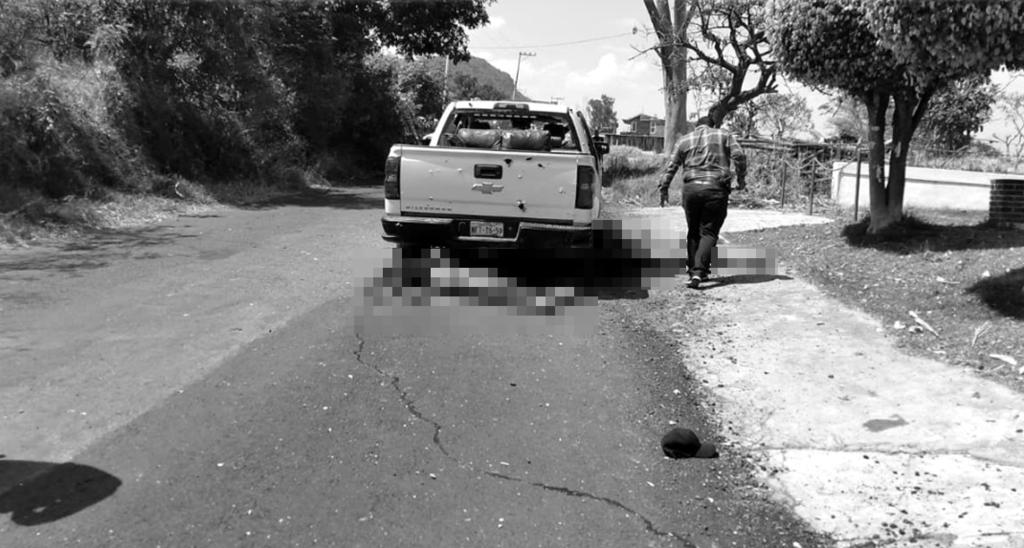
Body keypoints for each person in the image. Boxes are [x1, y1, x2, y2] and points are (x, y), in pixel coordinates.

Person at [657, 115, 747, 289]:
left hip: (691, 189)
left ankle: (695, 273)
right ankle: (699, 271)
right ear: (714, 125)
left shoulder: (684, 140)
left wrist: (664, 188)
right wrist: (741, 179)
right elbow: (739, 155)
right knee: (709, 232)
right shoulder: (724, 135)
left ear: (696, 126)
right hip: (716, 188)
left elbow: (671, 165)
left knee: (693, 231)